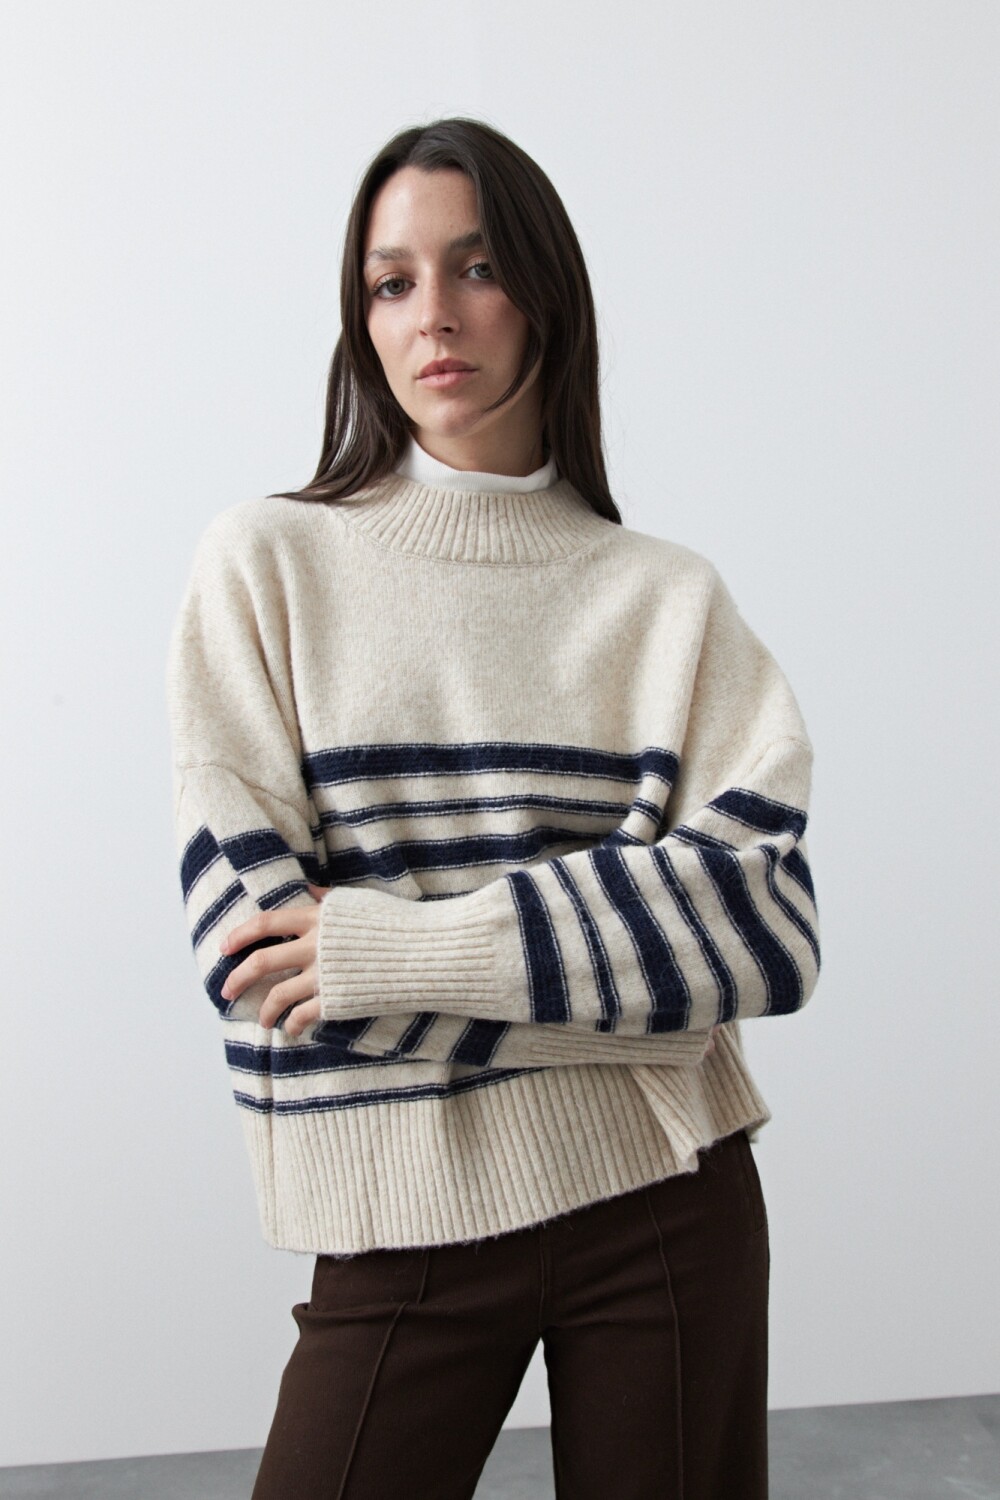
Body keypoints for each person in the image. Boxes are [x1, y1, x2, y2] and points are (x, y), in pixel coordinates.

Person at [166, 116, 820, 1500]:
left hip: (667, 1204)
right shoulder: (267, 565)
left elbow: (764, 930)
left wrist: (389, 945)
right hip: (401, 1208)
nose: (433, 315)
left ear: (543, 292)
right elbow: (255, 953)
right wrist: (629, 992)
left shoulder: (666, 598)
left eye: (475, 267)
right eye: (391, 281)